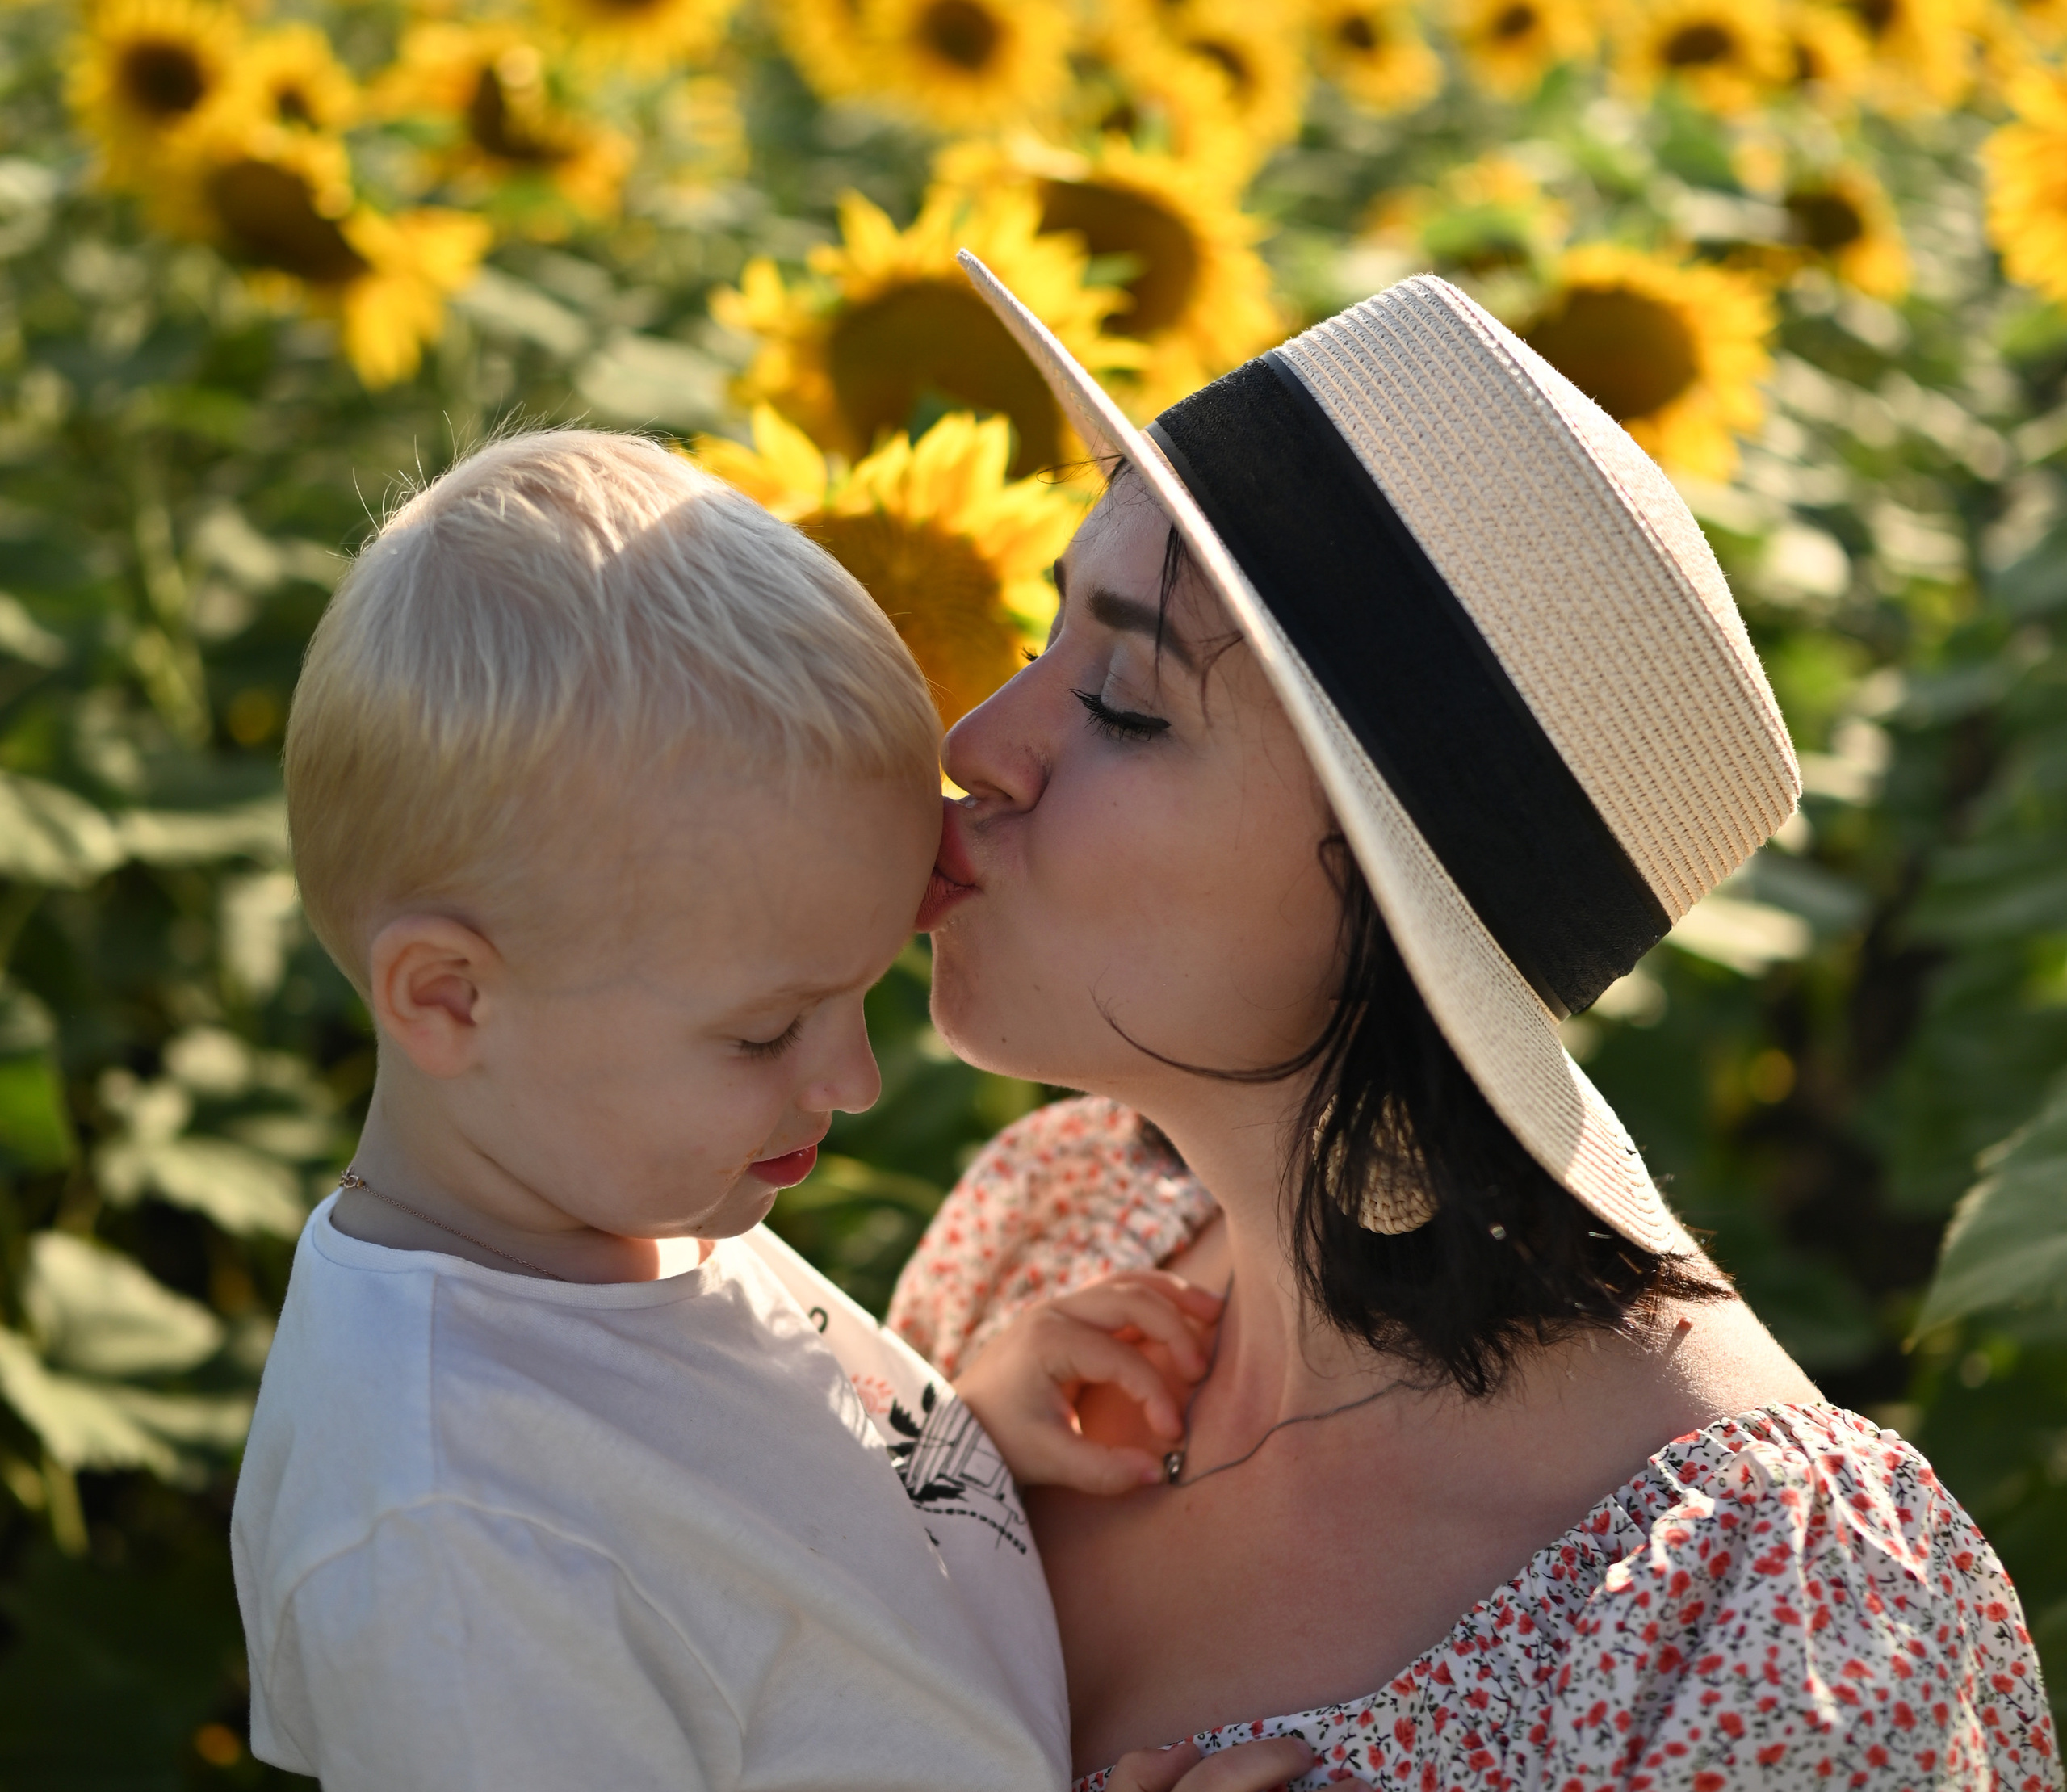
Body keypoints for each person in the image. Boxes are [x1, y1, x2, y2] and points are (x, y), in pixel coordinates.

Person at [895, 259, 2063, 1792]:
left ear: (1395, 900)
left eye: (1123, 702)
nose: (980, 743)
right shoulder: (1053, 1236)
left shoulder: (1762, 1616)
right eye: (1052, 642)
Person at [231, 430, 1312, 1792]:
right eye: (762, 1029)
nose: (850, 1081)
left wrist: (947, 1448)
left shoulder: (613, 1204)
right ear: (450, 1000)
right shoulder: (458, 1539)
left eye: (864, 987)